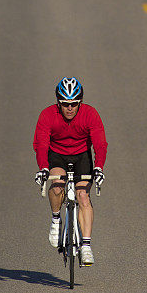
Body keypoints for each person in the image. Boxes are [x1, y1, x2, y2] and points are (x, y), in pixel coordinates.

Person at [33, 77, 107, 266]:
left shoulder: (90, 114)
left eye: (74, 104)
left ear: (80, 102)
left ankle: (86, 247)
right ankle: (56, 219)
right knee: (58, 187)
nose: (70, 108)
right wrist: (43, 168)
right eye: (65, 104)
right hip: (57, 155)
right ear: (58, 102)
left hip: (82, 155)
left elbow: (100, 143)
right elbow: (41, 145)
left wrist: (99, 167)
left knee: (83, 196)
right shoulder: (47, 115)